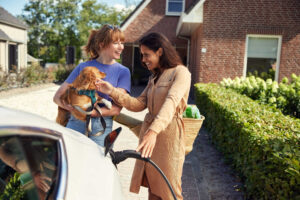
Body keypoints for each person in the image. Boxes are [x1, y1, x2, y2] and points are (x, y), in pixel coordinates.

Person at [96, 32, 191, 200]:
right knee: (153, 187)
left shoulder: (181, 72)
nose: (143, 59)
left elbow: (171, 101)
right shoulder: (155, 77)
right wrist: (112, 91)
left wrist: (153, 132)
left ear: (160, 52)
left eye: (146, 54)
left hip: (169, 137)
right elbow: (138, 104)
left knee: (170, 189)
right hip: (150, 139)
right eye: (141, 55)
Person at [53, 24, 131, 147]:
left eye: (122, 42)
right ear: (102, 44)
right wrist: (73, 108)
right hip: (76, 121)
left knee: (99, 161)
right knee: (72, 159)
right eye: (116, 43)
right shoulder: (83, 67)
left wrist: (91, 113)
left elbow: (116, 108)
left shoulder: (123, 71)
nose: (121, 47)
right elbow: (57, 97)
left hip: (101, 125)